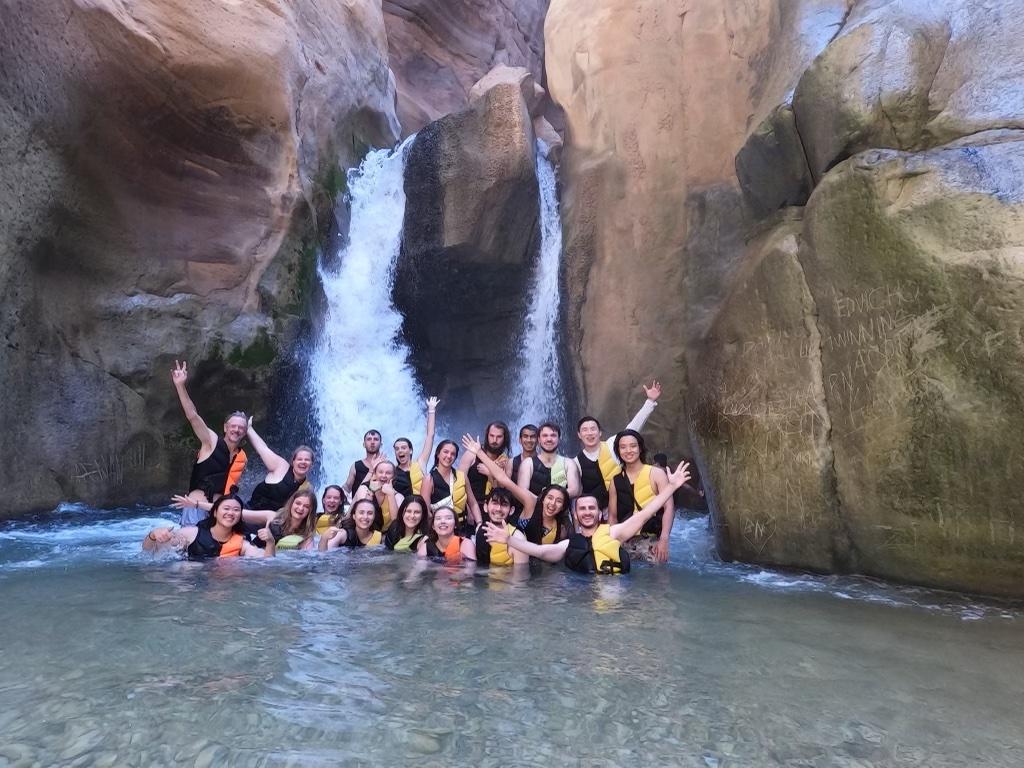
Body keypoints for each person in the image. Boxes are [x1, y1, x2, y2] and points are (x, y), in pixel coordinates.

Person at [484, 461, 691, 574]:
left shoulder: (614, 532)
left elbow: (646, 512)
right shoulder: (570, 543)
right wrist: (509, 540)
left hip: (616, 592)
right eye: (582, 509)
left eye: (591, 508)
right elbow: (541, 550)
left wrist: (671, 487)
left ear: (599, 513)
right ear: (575, 513)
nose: (587, 512)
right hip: (583, 595)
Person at [170, 360, 247, 525]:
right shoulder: (211, 441)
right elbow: (192, 416)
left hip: (217, 512)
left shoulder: (241, 457)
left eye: (241, 427)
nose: (236, 430)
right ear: (225, 428)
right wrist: (180, 385)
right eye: (233, 426)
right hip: (195, 508)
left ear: (245, 431)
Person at [462, 434, 571, 547]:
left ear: (563, 506)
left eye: (559, 501)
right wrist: (479, 452)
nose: (552, 503)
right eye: (550, 497)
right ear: (543, 498)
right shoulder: (532, 503)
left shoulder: (561, 530)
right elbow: (502, 478)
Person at [575, 380, 662, 509]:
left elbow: (633, 428)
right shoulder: (575, 462)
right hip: (598, 514)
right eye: (585, 430)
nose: (589, 433)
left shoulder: (612, 445)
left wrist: (650, 402)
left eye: (593, 429)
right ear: (579, 435)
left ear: (600, 433)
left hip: (625, 506)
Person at [608, 430, 675, 564]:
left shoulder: (656, 474)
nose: (628, 450)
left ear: (640, 448)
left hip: (652, 539)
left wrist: (664, 539)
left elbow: (669, 508)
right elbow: (612, 516)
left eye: (633, 446)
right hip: (624, 541)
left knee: (658, 579)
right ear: (618, 451)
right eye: (623, 447)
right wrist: (611, 545)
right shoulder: (615, 481)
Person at [143, 493, 270, 559]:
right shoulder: (191, 534)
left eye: (236, 510)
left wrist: (270, 542)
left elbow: (266, 562)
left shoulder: (242, 544)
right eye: (226, 508)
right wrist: (153, 535)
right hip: (188, 583)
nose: (231, 513)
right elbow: (149, 552)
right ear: (214, 512)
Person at [244, 421, 315, 513]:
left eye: (307, 460)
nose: (303, 462)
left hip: (274, 523)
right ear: (293, 461)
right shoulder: (281, 466)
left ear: (312, 465)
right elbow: (263, 449)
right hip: (250, 511)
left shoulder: (308, 488)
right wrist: (249, 428)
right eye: (300, 459)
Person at [459, 421, 511, 524]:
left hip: (494, 510)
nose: (494, 440)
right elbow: (459, 483)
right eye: (491, 436)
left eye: (499, 437)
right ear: (487, 436)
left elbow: (504, 490)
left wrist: (491, 474)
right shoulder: (471, 455)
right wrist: (469, 510)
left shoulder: (505, 461)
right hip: (470, 508)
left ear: (504, 438)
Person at [419, 440, 476, 535]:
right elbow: (426, 512)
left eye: (453, 454)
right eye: (445, 452)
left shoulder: (461, 476)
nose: (449, 456)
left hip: (462, 529)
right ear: (438, 454)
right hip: (440, 531)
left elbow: (473, 503)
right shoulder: (429, 479)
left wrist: (479, 524)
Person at [516, 422, 581, 499]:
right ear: (539, 440)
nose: (549, 439)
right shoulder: (528, 463)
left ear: (559, 439)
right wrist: (542, 500)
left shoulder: (568, 463)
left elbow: (574, 490)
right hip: (535, 508)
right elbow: (522, 490)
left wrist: (552, 499)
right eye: (545, 436)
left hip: (563, 509)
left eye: (553, 435)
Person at [392, 397, 440, 497]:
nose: (400, 450)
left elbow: (430, 436)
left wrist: (431, 410)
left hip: (420, 508)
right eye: (397, 449)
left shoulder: (420, 463)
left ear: (410, 451)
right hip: (402, 510)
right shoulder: (392, 471)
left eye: (403, 448)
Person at [241, 489, 318, 551]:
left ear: (310, 511)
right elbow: (241, 514)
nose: (300, 508)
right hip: (252, 556)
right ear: (291, 503)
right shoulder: (273, 516)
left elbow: (306, 560)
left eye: (306, 507)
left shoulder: (307, 537)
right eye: (298, 503)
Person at [352, 460, 404, 530]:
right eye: (380, 472)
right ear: (375, 474)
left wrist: (391, 495)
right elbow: (364, 513)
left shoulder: (398, 496)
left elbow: (396, 521)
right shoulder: (364, 489)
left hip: (386, 535)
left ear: (393, 477)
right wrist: (371, 491)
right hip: (364, 530)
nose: (384, 475)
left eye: (388, 473)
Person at [319, 499, 384, 550]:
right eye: (361, 512)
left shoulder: (379, 537)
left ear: (374, 517)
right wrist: (324, 538)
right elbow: (324, 555)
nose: (365, 517)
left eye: (370, 513)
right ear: (354, 516)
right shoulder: (343, 534)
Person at [343, 430, 384, 500]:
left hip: (381, 509)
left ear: (381, 444)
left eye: (376, 439)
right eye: (369, 439)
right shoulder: (356, 466)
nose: (372, 442)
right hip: (359, 508)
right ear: (364, 444)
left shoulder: (388, 466)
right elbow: (347, 487)